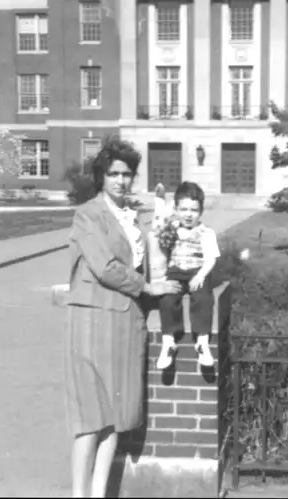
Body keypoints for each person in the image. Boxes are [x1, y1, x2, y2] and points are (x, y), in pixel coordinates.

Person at [64, 138, 181, 497]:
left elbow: (146, 260)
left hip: (125, 321)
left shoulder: (134, 216)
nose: (121, 180)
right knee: (89, 420)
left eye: (127, 174)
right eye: (113, 174)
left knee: (113, 418)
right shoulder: (87, 214)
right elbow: (105, 267)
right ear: (101, 176)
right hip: (92, 321)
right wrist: (148, 287)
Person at [154, 181, 219, 370]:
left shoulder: (206, 233)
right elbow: (158, 221)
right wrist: (159, 199)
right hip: (176, 271)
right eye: (183, 210)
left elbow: (211, 259)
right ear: (176, 209)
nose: (189, 215)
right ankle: (168, 341)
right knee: (167, 298)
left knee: (203, 298)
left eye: (194, 210)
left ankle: (202, 341)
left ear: (201, 211)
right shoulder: (172, 227)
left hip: (196, 271)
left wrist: (200, 276)